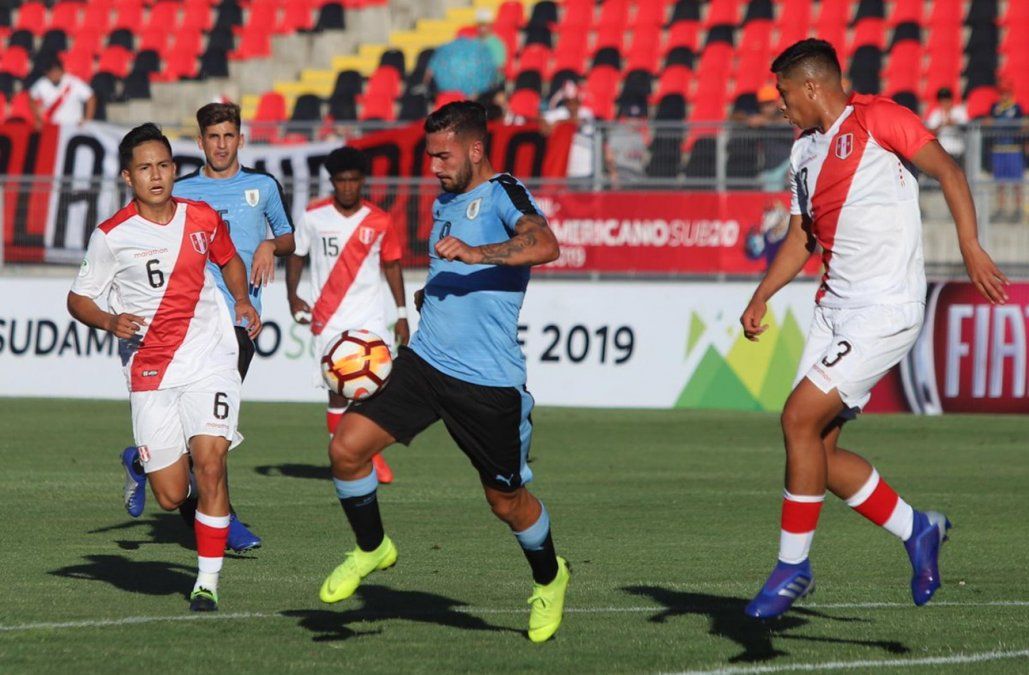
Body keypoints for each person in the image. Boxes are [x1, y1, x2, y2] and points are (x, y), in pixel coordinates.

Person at [739, 39, 1007, 620]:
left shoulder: (879, 118)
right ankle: (918, 529)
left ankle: (792, 567)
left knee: (796, 418)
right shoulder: (803, 154)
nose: (781, 106)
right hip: (833, 309)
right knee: (817, 452)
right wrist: (762, 293)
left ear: (812, 86)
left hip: (885, 306)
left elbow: (949, 171)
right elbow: (800, 238)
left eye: (784, 94)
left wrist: (969, 246)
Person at [316, 101, 570, 643]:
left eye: (442, 154)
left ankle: (550, 578)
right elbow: (446, 268)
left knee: (506, 502)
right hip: (425, 363)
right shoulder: (444, 200)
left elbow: (546, 243)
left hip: (487, 382)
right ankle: (372, 548)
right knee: (346, 450)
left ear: (475, 149)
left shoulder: (503, 192)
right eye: (429, 155)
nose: (432, 165)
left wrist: (479, 253)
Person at [68, 123, 261, 612]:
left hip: (210, 356)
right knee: (173, 495)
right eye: (144, 168)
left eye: (163, 166)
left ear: (175, 169)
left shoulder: (201, 216)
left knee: (211, 464)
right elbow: (78, 299)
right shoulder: (111, 236)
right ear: (128, 177)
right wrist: (110, 320)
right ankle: (140, 460)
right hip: (150, 369)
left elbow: (231, 259)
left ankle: (207, 582)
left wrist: (241, 299)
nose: (156, 176)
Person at [119, 102, 295, 553]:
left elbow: (291, 238)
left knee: (209, 431)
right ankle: (221, 518)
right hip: (187, 324)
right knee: (206, 434)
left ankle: (148, 467)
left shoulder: (263, 186)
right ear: (200, 143)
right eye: (212, 137)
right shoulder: (181, 192)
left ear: (241, 139)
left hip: (238, 321)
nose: (221, 145)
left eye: (229, 136)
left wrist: (270, 246)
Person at [285, 146, 407, 484]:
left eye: (354, 180)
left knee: (378, 388)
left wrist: (401, 313)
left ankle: (365, 451)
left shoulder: (379, 220)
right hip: (330, 317)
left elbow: (392, 265)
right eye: (341, 181)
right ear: (333, 182)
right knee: (338, 390)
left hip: (369, 315)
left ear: (362, 181)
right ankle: (351, 459)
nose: (348, 187)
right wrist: (293, 296)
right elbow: (296, 255)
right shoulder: (314, 216)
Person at [986, 81, 1024, 222]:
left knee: (1016, 182)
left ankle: (1018, 209)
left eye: (1007, 93)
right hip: (998, 149)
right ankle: (1001, 209)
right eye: (1002, 93)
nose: (1004, 96)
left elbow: (1022, 126)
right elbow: (988, 122)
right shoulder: (995, 108)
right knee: (1000, 182)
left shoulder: (1016, 108)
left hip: (1013, 149)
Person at [543, 82, 597, 183]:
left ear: (579, 101)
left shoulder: (586, 112)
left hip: (584, 170)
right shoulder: (559, 113)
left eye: (575, 102)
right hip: (566, 171)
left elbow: (579, 121)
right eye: (568, 102)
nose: (572, 105)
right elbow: (544, 126)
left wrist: (559, 123)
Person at [750, 85, 795, 191]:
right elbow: (739, 117)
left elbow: (789, 120)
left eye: (769, 104)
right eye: (763, 105)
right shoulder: (760, 118)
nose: (766, 108)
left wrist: (767, 122)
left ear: (776, 103)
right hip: (769, 168)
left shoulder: (786, 113)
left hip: (786, 164)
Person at [29, 56, 95, 127]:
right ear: (46, 73)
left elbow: (91, 98)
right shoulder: (42, 83)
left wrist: (87, 121)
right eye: (51, 72)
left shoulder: (73, 82)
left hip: (73, 125)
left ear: (62, 70)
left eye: (57, 71)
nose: (55, 74)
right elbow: (31, 96)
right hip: (51, 126)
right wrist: (37, 114)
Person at [604, 102, 650, 187]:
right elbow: (609, 156)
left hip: (638, 178)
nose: (635, 121)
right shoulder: (618, 133)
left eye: (638, 118)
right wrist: (614, 175)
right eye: (632, 118)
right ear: (627, 118)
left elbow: (642, 157)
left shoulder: (639, 135)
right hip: (622, 178)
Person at [925, 87, 968, 165]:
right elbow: (930, 131)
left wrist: (954, 124)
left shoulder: (959, 111)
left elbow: (967, 127)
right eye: (943, 100)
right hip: (943, 153)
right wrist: (941, 125)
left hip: (958, 151)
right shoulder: (936, 114)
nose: (945, 103)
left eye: (947, 100)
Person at [476, 8, 507, 86]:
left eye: (484, 25)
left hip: (492, 78)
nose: (481, 28)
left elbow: (499, 64)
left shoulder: (497, 43)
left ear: (490, 26)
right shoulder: (473, 41)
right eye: (480, 25)